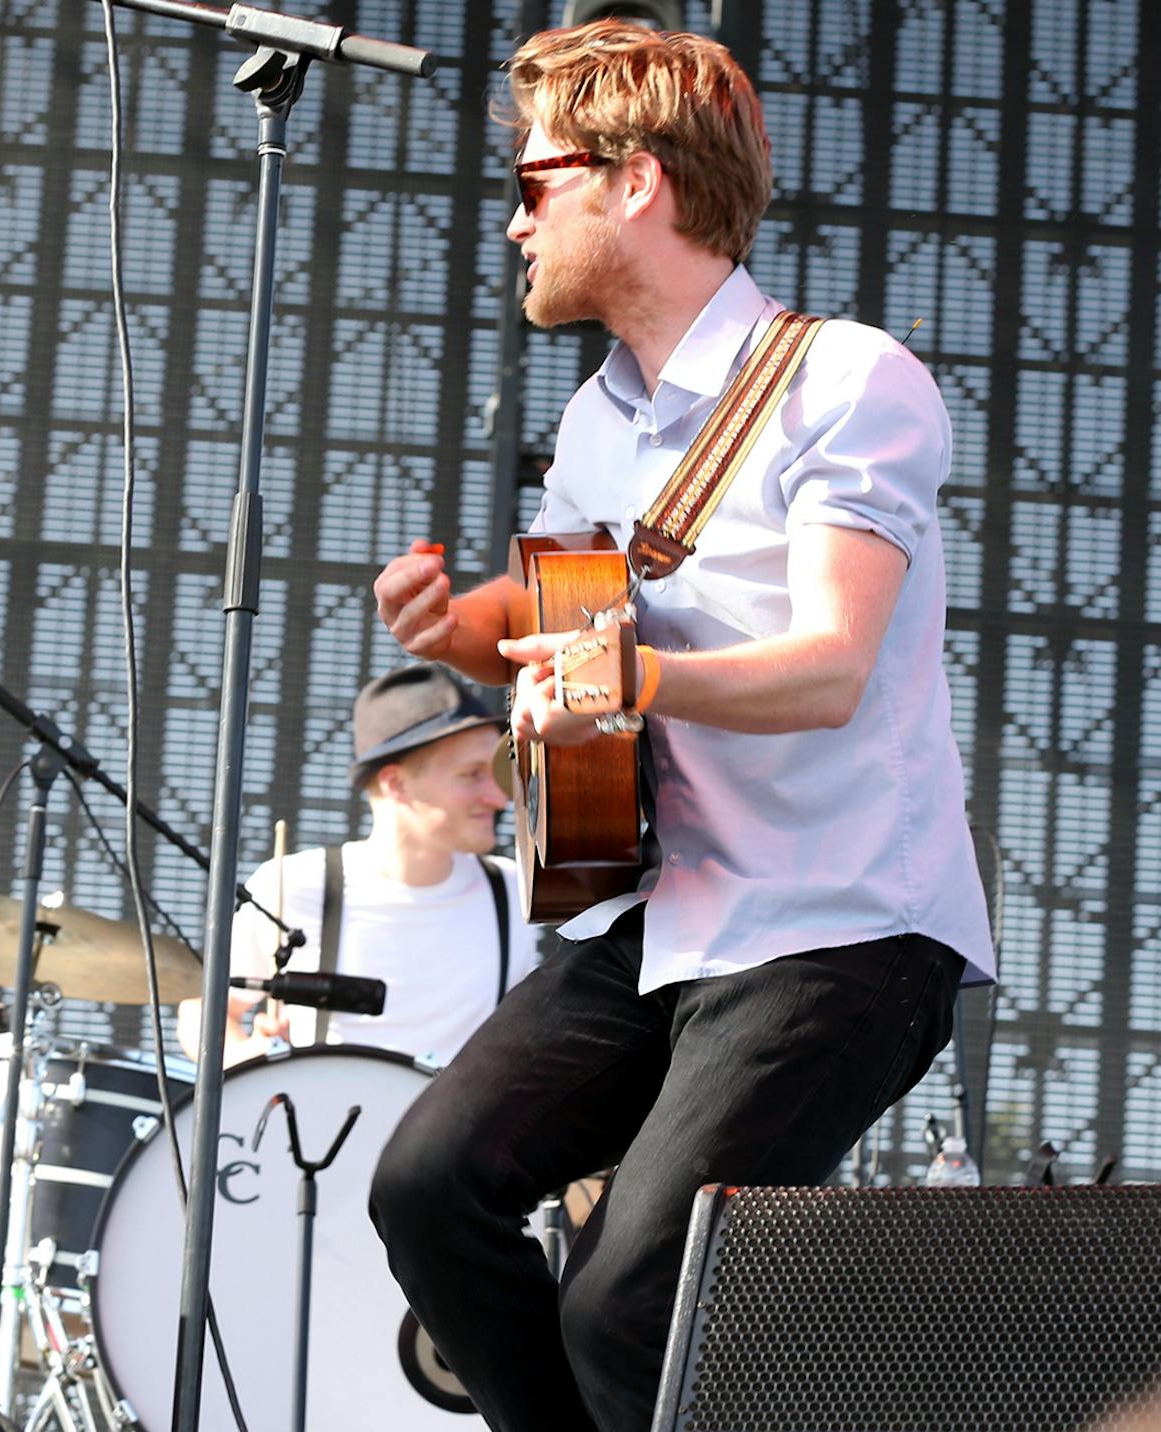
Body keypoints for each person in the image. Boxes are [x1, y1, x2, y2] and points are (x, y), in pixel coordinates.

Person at [365, 22, 993, 1432]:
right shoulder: (601, 418)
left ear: (634, 181)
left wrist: (630, 684)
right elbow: (563, 616)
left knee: (629, 1298)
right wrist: (449, 628)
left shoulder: (848, 380)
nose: (516, 221)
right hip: (661, 917)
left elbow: (827, 665)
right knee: (427, 1191)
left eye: (535, 185)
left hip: (844, 928)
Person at [175, 663, 536, 1067]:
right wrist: (248, 1061)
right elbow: (204, 1008)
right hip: (322, 1126)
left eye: (497, 772)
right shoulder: (295, 886)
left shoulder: (514, 890)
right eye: (472, 775)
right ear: (395, 783)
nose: (499, 796)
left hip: (463, 1129)